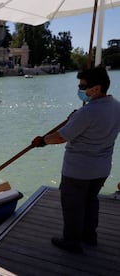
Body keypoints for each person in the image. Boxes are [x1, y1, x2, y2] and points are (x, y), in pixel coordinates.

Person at [32, 66, 120, 253]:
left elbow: (61, 137)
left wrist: (42, 141)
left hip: (78, 171)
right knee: (90, 201)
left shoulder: (87, 112)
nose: (80, 90)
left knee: (73, 207)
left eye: (83, 86)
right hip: (101, 169)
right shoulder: (116, 107)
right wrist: (75, 119)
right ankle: (90, 236)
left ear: (96, 88)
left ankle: (71, 242)